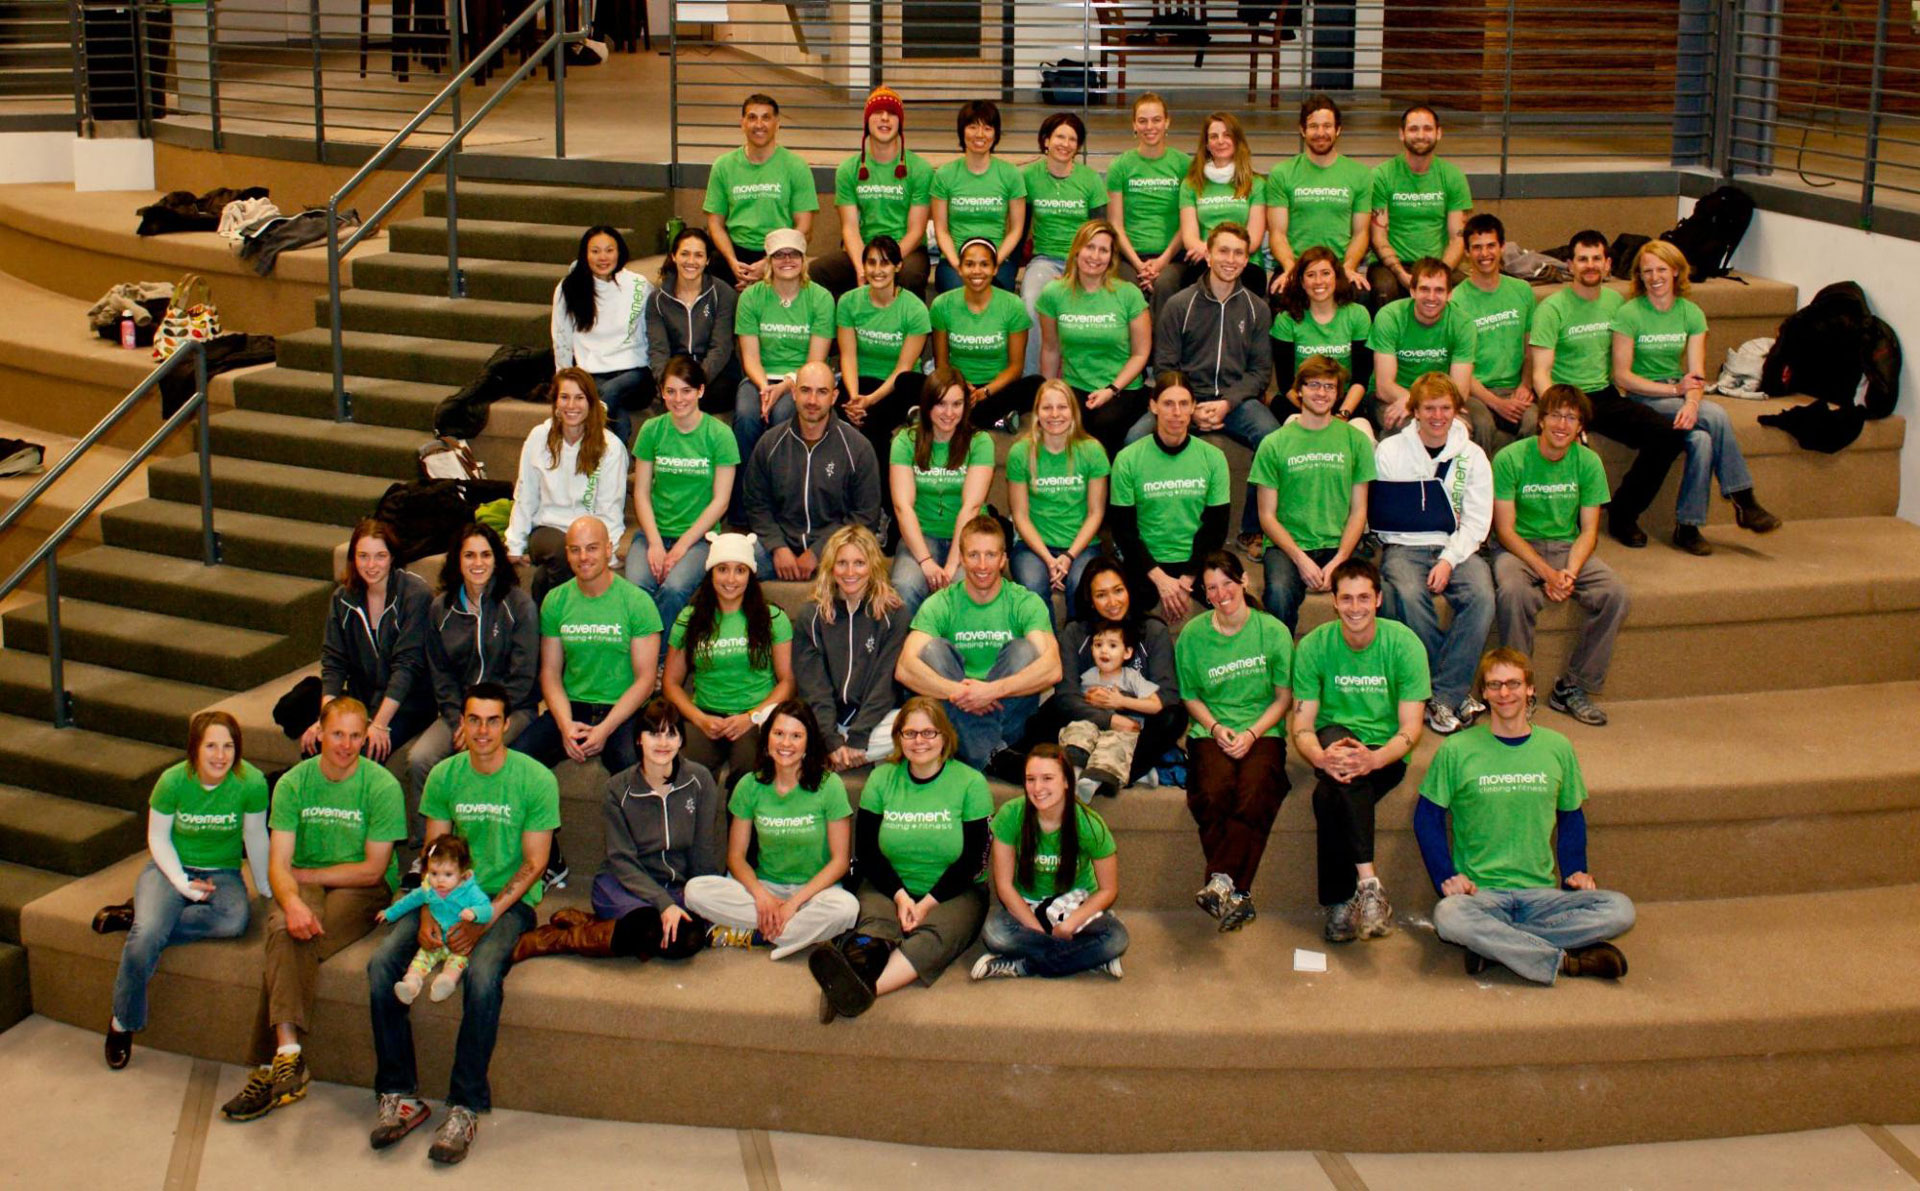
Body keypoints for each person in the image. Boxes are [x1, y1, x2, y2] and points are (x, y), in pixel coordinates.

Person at [367, 682, 559, 1164]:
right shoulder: (444, 776)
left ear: (508, 724)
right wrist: (430, 910)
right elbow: (432, 856)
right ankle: (400, 1093)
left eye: (493, 720)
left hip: (506, 902)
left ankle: (465, 1104)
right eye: (474, 720)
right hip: (443, 897)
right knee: (382, 963)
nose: (483, 730)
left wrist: (486, 918)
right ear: (461, 724)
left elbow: (535, 863)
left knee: (482, 974)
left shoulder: (535, 779)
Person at [222, 696, 402, 1123]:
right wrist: (290, 900)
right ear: (319, 732)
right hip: (305, 876)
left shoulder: (381, 785)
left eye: (356, 735)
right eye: (337, 734)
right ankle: (288, 1055)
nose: (346, 744)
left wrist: (301, 880)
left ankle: (267, 1070)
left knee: (301, 933)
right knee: (287, 928)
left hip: (362, 887)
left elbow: (373, 869)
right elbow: (277, 864)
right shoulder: (292, 784)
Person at [1418, 648, 1635, 982]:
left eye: (1513, 684)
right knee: (1449, 918)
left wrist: (1576, 870)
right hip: (1480, 894)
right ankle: (1565, 961)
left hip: (1543, 895)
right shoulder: (1456, 750)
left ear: (1530, 688)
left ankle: (1497, 945)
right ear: (1484, 693)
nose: (1504, 693)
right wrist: (1445, 875)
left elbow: (1571, 815)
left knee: (1620, 910)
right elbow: (1427, 817)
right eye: (1494, 685)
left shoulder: (1557, 747)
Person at [806, 698, 991, 1021]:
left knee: (932, 940)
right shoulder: (881, 780)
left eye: (929, 733)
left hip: (954, 891)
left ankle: (854, 989)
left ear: (945, 737)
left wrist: (926, 904)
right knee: (875, 929)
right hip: (887, 884)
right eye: (910, 733)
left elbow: (973, 860)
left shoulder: (970, 782)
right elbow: (867, 853)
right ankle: (853, 974)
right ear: (898, 738)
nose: (919, 741)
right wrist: (901, 896)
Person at [105, 710, 269, 1071]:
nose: (220, 755)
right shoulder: (172, 781)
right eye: (211, 745)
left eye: (228, 746)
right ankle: (122, 1022)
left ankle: (138, 917)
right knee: (146, 937)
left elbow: (256, 837)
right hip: (169, 869)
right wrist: (181, 883)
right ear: (194, 748)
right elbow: (157, 838)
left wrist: (268, 889)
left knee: (234, 919)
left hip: (222, 874)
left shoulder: (252, 782)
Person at [510, 697, 722, 965]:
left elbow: (703, 850)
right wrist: (663, 904)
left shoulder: (699, 780)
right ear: (638, 740)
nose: (663, 742)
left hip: (674, 885)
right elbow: (621, 860)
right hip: (624, 883)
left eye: (671, 733)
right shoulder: (617, 789)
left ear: (681, 740)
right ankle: (559, 939)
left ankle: (592, 923)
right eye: (653, 733)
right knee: (648, 929)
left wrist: (701, 899)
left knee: (690, 939)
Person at [1290, 559, 1430, 944]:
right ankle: (1369, 883)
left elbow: (1411, 729)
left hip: (1385, 754)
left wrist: (1373, 758)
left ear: (1379, 600)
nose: (1355, 607)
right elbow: (1302, 726)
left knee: (1328, 794)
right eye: (1346, 598)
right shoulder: (1315, 645)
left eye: (1364, 598)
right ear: (1333, 602)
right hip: (1330, 748)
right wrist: (1318, 757)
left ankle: (1343, 902)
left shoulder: (1404, 644)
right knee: (1335, 739)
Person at [1612, 239, 1781, 555]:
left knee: (1702, 441)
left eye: (1661, 269)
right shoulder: (1629, 313)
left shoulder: (1691, 314)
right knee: (1716, 415)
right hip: (1644, 398)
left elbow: (1696, 373)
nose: (1654, 276)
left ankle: (1688, 527)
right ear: (1639, 276)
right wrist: (1677, 393)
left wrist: (1690, 403)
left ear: (1676, 271)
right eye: (1647, 271)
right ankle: (1743, 498)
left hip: (1680, 395)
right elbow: (1622, 377)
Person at [1527, 229, 1686, 550]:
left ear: (1608, 263)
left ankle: (1623, 512)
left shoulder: (1617, 303)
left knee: (1667, 435)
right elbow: (1540, 373)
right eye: (1582, 259)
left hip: (1606, 397)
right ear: (1569, 265)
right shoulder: (1552, 309)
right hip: (1567, 398)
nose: (1589, 265)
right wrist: (1559, 414)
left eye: (1596, 258)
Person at [1491, 385, 1629, 728]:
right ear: (1541, 420)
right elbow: (1505, 531)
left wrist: (1569, 571)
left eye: (1571, 418)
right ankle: (1520, 690)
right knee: (1514, 592)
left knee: (1615, 593)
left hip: (1568, 547)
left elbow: (1589, 531)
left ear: (1580, 426)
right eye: (1555, 415)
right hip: (1518, 547)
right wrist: (1546, 573)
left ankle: (1573, 687)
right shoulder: (1511, 458)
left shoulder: (1588, 462)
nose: (1562, 424)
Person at [683, 700, 862, 957]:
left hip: (814, 891)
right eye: (778, 734)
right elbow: (735, 857)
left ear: (808, 743)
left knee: (846, 909)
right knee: (695, 891)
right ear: (766, 739)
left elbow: (840, 862)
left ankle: (758, 934)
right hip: (764, 887)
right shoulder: (749, 785)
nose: (786, 744)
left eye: (796, 736)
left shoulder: (829, 785)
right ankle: (795, 934)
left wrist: (793, 905)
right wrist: (762, 896)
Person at [1176, 552, 1293, 932]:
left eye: (1228, 583)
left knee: (1257, 790)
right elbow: (1190, 695)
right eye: (1212, 588)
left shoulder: (1272, 630)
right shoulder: (1193, 635)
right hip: (1212, 730)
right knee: (1212, 792)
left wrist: (1252, 733)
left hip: (1263, 730)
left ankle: (1223, 881)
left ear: (1244, 581)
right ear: (1205, 594)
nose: (1222, 593)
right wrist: (1214, 728)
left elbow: (1283, 696)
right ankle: (1238, 894)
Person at [1373, 373, 1495, 736]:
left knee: (1483, 597)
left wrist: (1448, 559)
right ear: (1415, 411)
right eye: (1429, 408)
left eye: (1445, 408)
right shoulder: (1390, 451)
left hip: (1455, 546)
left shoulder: (1473, 456)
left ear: (1457, 411)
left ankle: (1440, 695)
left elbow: (1477, 522)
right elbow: (1383, 517)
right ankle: (1452, 694)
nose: (1438, 416)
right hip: (1403, 545)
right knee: (1409, 595)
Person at [897, 514, 1061, 774]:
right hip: (957, 707)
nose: (982, 564)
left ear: (1004, 559)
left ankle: (968, 750)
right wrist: (959, 693)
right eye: (973, 555)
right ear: (961, 559)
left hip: (1006, 715)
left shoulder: (1024, 602)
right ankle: (991, 753)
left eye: (990, 555)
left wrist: (993, 690)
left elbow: (1053, 669)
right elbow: (905, 669)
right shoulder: (942, 602)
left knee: (1025, 650)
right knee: (932, 650)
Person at [511, 515, 664, 784]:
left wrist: (604, 729)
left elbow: (645, 680)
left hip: (622, 709)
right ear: (567, 554)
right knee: (517, 761)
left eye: (592, 548)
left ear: (608, 549)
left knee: (632, 769)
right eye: (575, 549)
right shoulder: (555, 601)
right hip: (573, 706)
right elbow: (549, 673)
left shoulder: (637, 603)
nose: (583, 557)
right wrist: (565, 725)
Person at [411, 523, 539, 835]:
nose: (477, 563)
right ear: (457, 560)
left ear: (497, 559)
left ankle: (477, 848)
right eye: (469, 555)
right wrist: (460, 720)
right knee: (420, 758)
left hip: (511, 710)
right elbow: (440, 674)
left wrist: (482, 722)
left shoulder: (518, 606)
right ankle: (430, 850)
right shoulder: (440, 608)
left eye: (485, 554)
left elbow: (522, 678)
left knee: (479, 752)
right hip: (459, 712)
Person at [1018, 557, 1187, 787]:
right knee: (1045, 716)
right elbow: (1067, 695)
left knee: (1175, 717)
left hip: (1137, 724)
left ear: (1128, 589)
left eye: (1118, 590)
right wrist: (1110, 719)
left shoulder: (1153, 631)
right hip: (1085, 720)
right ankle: (1106, 771)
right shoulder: (1075, 632)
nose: (1112, 602)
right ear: (1090, 600)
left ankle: (1112, 774)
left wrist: (1120, 703)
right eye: (1101, 595)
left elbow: (1167, 696)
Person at [971, 743, 1127, 980]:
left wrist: (1070, 924)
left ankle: (1023, 966)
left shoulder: (1090, 824)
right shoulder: (1011, 815)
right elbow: (1004, 886)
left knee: (1116, 937)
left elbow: (1108, 890)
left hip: (1073, 904)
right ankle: (1091, 955)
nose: (1037, 787)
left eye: (1047, 778)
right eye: (1030, 779)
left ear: (1066, 781)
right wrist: (1035, 927)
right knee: (995, 934)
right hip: (1025, 906)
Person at [1249, 354, 1374, 633]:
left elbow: (1359, 511)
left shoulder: (1356, 441)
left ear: (1339, 394)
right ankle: (1283, 669)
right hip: (1287, 545)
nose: (1321, 393)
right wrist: (1300, 558)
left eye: (1329, 387)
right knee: (1278, 593)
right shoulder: (1274, 444)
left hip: (1339, 543)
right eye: (1314, 385)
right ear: (1300, 390)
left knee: (1374, 594)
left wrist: (1340, 559)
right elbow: (1266, 516)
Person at [1134, 221, 1278, 460]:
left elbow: (1260, 372)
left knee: (1274, 442)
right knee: (1134, 439)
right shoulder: (1179, 305)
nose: (1230, 260)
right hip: (1182, 399)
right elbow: (1165, 367)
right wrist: (1189, 408)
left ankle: (1256, 500)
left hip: (1236, 403)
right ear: (1208, 256)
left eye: (1238, 253)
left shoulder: (1258, 309)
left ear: (1245, 261)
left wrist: (1227, 404)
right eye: (1223, 251)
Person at [663, 532, 795, 786]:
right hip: (705, 715)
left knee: (748, 776)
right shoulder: (689, 618)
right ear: (711, 573)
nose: (731, 579)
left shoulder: (772, 617)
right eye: (722, 569)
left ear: (751, 575)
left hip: (754, 715)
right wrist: (699, 719)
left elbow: (787, 682)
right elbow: (670, 683)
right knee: (685, 775)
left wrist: (751, 717)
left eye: (740, 570)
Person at [305, 519, 435, 764]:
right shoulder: (342, 598)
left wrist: (379, 725)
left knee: (362, 751)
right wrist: (327, 721)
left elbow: (407, 667)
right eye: (363, 556)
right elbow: (333, 663)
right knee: (314, 746)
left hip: (409, 703)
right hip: (362, 700)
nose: (371, 565)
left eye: (380, 556)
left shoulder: (415, 595)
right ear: (353, 558)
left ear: (393, 557)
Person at [742, 360, 884, 583]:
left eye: (822, 392)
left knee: (858, 567)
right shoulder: (770, 444)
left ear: (834, 397)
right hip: (779, 547)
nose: (812, 401)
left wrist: (819, 552)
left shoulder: (858, 448)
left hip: (837, 550)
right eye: (805, 390)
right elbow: (757, 504)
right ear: (794, 393)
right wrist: (778, 547)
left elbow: (865, 515)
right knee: (732, 566)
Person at [625, 355, 738, 631]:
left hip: (699, 538)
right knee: (637, 588)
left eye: (686, 391)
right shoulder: (652, 430)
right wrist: (653, 543)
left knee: (674, 588)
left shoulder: (720, 435)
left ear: (700, 391)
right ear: (662, 393)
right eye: (671, 391)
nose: (678, 399)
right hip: (653, 533)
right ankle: (640, 660)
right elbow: (640, 493)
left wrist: (680, 548)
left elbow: (720, 502)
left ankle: (660, 660)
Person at [1108, 374, 1231, 622]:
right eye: (1168, 403)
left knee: (1238, 604)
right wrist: (1159, 578)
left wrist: (1188, 578)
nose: (1177, 412)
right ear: (1153, 406)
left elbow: (1216, 528)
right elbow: (1123, 530)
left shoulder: (1213, 458)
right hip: (1146, 561)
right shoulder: (1128, 458)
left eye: (1184, 404)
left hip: (1195, 560)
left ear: (1193, 406)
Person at [792, 524, 910, 771]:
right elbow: (813, 687)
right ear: (831, 568)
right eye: (842, 563)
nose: (850, 572)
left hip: (875, 722)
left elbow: (885, 683)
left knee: (916, 726)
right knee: (772, 719)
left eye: (859, 563)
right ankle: (839, 754)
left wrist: (859, 736)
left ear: (873, 566)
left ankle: (829, 758)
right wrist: (831, 738)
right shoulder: (811, 615)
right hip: (824, 722)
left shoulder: (893, 613)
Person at [504, 369, 628, 604]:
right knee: (567, 553)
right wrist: (515, 543)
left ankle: (548, 628)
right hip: (546, 529)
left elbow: (610, 506)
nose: (571, 405)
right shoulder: (538, 437)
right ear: (555, 402)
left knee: (544, 576)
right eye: (564, 397)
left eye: (579, 397)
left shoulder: (610, 447)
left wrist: (608, 553)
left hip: (589, 530)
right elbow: (526, 494)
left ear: (591, 403)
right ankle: (565, 622)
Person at [1036, 219, 1153, 455]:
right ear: (1077, 249)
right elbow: (1050, 349)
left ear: (1111, 257)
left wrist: (1111, 389)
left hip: (1123, 388)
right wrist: (1047, 396)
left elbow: (1141, 353)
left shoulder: (1128, 294)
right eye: (1090, 247)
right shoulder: (1053, 294)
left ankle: (1106, 492)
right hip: (1075, 386)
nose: (1095, 256)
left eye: (1103, 250)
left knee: (1103, 426)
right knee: (1063, 425)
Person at [888, 367, 994, 615]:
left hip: (971, 537)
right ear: (927, 405)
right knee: (905, 586)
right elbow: (902, 506)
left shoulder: (980, 442)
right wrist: (926, 562)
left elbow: (972, 507)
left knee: (962, 588)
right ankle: (912, 652)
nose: (949, 413)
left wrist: (952, 563)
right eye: (941, 404)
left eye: (957, 404)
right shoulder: (905, 441)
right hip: (921, 535)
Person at [730, 226, 835, 477]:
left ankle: (783, 496)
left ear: (803, 260)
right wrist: (765, 387)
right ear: (769, 261)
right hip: (760, 378)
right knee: (745, 417)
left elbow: (815, 362)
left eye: (794, 254)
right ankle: (743, 504)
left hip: (803, 379)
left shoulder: (821, 299)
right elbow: (750, 358)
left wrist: (785, 386)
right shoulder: (751, 298)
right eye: (779, 255)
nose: (787, 260)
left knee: (784, 413)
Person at [816, 85, 933, 298]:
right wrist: (864, 267)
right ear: (867, 121)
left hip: (905, 250)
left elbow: (916, 231)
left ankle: (911, 330)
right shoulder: (848, 169)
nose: (885, 119)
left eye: (891, 114)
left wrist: (885, 262)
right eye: (878, 113)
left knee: (910, 275)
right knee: (818, 272)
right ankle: (837, 329)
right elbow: (850, 228)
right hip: (864, 249)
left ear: (900, 123)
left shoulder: (920, 169)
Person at [1006, 379, 1108, 618]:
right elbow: (1020, 515)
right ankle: (1048, 653)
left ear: (1073, 411)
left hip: (1082, 547)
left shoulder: (1092, 451)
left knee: (1081, 587)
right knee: (1032, 586)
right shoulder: (1020, 452)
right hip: (1032, 547)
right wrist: (1049, 560)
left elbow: (1096, 513)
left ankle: (1076, 653)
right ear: (1037, 412)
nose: (1054, 415)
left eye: (1062, 407)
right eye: (1047, 407)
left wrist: (1068, 556)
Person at [1020, 111, 1107, 371]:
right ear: (1046, 140)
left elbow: (1100, 228)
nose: (1065, 144)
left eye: (1072, 139)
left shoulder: (1089, 179)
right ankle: (1032, 381)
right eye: (1059, 136)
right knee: (1032, 303)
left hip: (1086, 260)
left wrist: (1078, 267)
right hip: (1045, 260)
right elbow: (1021, 225)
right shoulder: (1029, 177)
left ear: (1078, 147)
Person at [703, 93, 818, 289]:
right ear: (742, 123)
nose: (759, 124)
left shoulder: (796, 166)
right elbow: (715, 224)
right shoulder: (723, 166)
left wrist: (768, 263)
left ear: (777, 124)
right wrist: (733, 263)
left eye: (766, 117)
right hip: (734, 253)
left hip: (781, 251)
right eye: (752, 117)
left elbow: (804, 228)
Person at [551, 225, 653, 444]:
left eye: (609, 250)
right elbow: (561, 337)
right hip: (591, 372)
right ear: (585, 254)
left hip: (634, 373)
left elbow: (650, 332)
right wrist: (564, 380)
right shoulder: (569, 287)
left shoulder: (638, 285)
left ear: (619, 251)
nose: (602, 257)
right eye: (595, 251)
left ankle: (590, 444)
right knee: (618, 415)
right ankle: (616, 464)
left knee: (610, 391)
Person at [931, 237, 1043, 431]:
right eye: (969, 264)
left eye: (984, 264)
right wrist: (961, 387)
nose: (976, 271)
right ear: (959, 269)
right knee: (907, 381)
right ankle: (994, 419)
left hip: (996, 389)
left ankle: (958, 418)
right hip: (957, 385)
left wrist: (985, 392)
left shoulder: (1012, 305)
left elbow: (1016, 368)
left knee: (1036, 384)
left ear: (995, 269)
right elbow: (941, 364)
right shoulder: (942, 305)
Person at [835, 234, 930, 462]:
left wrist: (869, 401)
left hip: (898, 383)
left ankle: (885, 497)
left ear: (898, 266)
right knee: (835, 415)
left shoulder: (915, 310)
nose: (877, 270)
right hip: (860, 379)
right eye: (872, 262)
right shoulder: (848, 302)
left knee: (872, 424)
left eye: (885, 263)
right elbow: (847, 357)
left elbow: (903, 367)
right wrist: (855, 396)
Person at [1265, 93, 1372, 292]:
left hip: (1338, 268)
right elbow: (1277, 233)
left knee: (1362, 294)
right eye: (1313, 126)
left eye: (1327, 126)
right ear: (1302, 130)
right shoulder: (1282, 173)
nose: (1320, 132)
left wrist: (1348, 267)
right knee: (1280, 294)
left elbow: (1361, 233)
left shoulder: (1360, 174)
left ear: (1338, 130)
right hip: (1296, 266)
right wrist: (1290, 268)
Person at [1367, 103, 1471, 306]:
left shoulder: (1453, 177)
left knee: (1465, 290)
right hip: (1391, 265)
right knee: (1384, 289)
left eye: (1427, 129)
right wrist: (1402, 274)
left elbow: (1457, 239)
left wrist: (1439, 274)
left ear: (1439, 133)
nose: (1421, 135)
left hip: (1436, 264)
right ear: (1402, 134)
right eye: (1413, 129)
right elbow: (1378, 237)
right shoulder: (1382, 176)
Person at [1450, 214, 1537, 453]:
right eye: (1476, 248)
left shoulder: (1522, 291)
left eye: (1490, 246)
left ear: (1502, 248)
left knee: (1534, 421)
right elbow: (1459, 368)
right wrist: (1497, 403)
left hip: (1514, 389)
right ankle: (1481, 488)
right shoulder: (1457, 300)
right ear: (1467, 253)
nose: (1484, 254)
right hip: (1475, 392)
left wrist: (1526, 385)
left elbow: (1531, 349)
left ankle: (1517, 486)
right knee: (1482, 425)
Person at [375, 832, 493, 1005]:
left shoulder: (470, 891)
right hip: (436, 940)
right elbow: (408, 901)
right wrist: (389, 913)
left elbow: (487, 909)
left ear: (462, 872)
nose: (439, 881)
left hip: (458, 942)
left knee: (457, 962)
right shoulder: (429, 889)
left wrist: (475, 913)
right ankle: (411, 985)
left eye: (447, 874)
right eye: (434, 873)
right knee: (419, 961)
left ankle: (446, 982)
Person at [1367, 257, 1476, 433]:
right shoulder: (1390, 317)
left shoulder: (1462, 323)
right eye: (1424, 289)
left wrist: (1431, 407)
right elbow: (1384, 386)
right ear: (1412, 291)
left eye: (1439, 290)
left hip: (1441, 398)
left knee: (1478, 424)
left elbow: (1460, 391)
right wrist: (1416, 402)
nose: (1431, 297)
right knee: (1408, 428)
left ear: (1449, 294)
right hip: (1394, 395)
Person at [1057, 618, 1162, 802]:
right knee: (1078, 728)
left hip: (1123, 731)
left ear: (1128, 652)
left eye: (1112, 645)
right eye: (1098, 645)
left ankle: (1094, 781)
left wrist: (1121, 701)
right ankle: (1075, 771)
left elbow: (1156, 705)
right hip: (1094, 727)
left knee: (1114, 743)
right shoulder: (1087, 677)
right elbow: (1075, 705)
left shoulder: (1131, 678)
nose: (1104, 650)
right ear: (1091, 649)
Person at [1105, 92, 1190, 314]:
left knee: (1165, 284)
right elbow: (1115, 224)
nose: (1149, 127)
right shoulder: (1120, 166)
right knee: (1129, 289)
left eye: (1156, 120)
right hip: (1129, 256)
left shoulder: (1185, 165)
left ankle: (1162, 349)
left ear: (1167, 122)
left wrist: (1162, 262)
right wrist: (1138, 264)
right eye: (1142, 121)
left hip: (1172, 256)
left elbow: (1188, 224)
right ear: (1134, 125)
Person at [930, 99, 1026, 294]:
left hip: (997, 261)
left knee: (995, 297)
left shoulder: (1011, 175)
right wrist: (958, 264)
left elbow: (1016, 230)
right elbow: (941, 230)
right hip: (954, 261)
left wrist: (994, 261)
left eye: (987, 128)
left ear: (996, 133)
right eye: (973, 127)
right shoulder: (944, 175)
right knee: (958, 294)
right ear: (962, 131)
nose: (980, 134)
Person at [1271, 245, 1374, 423]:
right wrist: (1316, 413)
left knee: (1362, 435)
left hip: (1346, 403)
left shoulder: (1358, 315)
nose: (1319, 281)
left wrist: (1343, 415)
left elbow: (1361, 378)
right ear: (1302, 282)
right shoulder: (1286, 320)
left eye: (1326, 273)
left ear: (1337, 276)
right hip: (1300, 403)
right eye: (1311, 275)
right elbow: (1286, 382)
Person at [1175, 111, 1268, 294]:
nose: (1220, 141)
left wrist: (1228, 256)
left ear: (1237, 140)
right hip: (1205, 260)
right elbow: (1189, 238)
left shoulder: (1256, 184)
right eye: (1214, 136)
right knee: (1190, 285)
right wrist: (1213, 254)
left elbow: (1254, 239)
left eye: (1227, 135)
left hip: (1245, 264)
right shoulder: (1191, 184)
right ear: (1207, 145)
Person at [647, 227, 739, 411]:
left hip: (714, 374)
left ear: (707, 260)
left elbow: (720, 348)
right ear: (673, 256)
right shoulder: (657, 299)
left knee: (694, 399)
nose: (691, 261)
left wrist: (692, 385)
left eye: (698, 255)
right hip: (676, 370)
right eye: (684, 254)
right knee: (669, 397)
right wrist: (669, 383)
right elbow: (658, 350)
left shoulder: (723, 293)